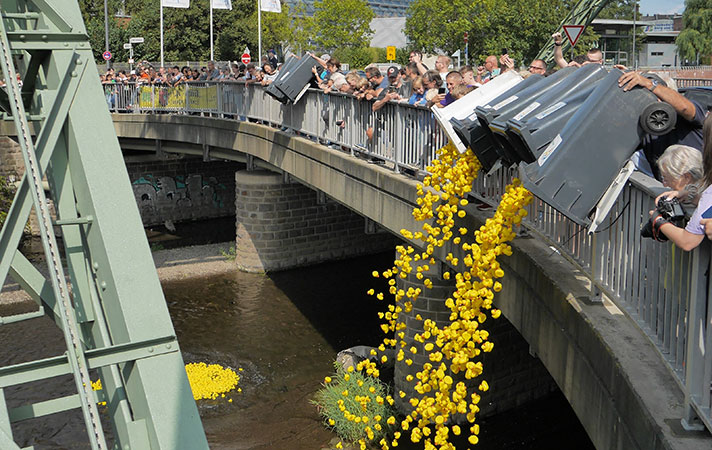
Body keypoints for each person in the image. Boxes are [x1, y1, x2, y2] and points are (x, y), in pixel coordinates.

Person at [618, 71, 706, 180]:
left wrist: (650, 85)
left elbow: (685, 108)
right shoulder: (647, 125)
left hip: (699, 189)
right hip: (668, 189)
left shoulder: (688, 115)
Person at [649, 135, 711, 250]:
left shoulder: (708, 195)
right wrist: (687, 195)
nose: (664, 184)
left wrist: (657, 220)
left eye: (667, 178)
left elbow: (687, 242)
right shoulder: (705, 190)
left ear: (686, 177)